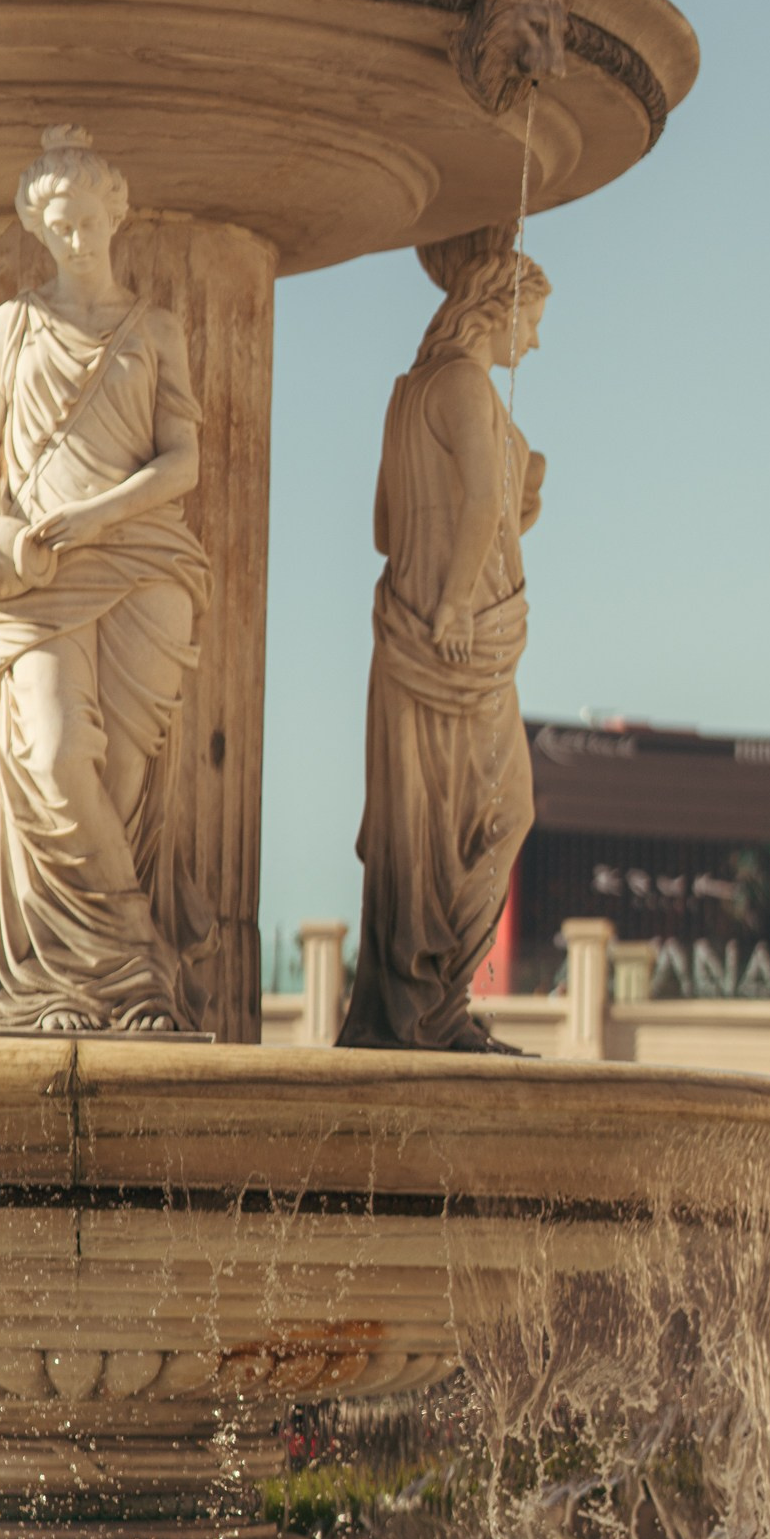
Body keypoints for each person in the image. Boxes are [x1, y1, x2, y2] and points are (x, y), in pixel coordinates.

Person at [0, 125, 211, 1034]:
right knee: (54, 758)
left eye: (89, 217)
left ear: (115, 216)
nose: (76, 235)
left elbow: (184, 463)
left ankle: (92, 984)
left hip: (141, 564)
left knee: (120, 781)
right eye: (58, 221)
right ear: (37, 228)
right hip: (38, 574)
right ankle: (133, 951)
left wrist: (98, 517)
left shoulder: (155, 329)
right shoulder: (14, 325)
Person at [338, 228, 547, 1054]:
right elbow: (484, 509)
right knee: (500, 814)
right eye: (531, 317)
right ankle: (432, 1007)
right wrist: (460, 600)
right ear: (497, 309)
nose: (535, 338)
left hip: (411, 631)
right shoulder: (464, 385)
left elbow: (387, 525)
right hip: (457, 642)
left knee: (419, 825)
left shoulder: (410, 391)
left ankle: (416, 1005)